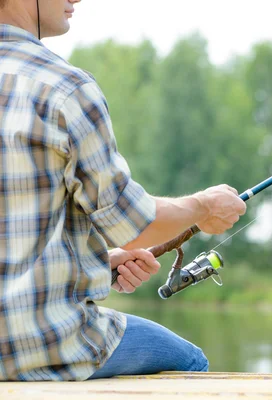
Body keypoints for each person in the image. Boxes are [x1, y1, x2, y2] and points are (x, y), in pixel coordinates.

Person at [0, 0, 247, 381]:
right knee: (191, 362)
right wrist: (204, 207)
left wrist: (97, 264)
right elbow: (137, 225)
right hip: (40, 346)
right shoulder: (63, 87)